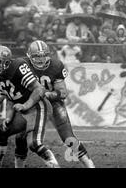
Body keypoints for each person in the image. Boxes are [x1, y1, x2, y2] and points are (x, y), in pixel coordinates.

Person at [12, 40, 95, 168]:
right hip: (30, 105)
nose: (40, 59)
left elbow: (62, 93)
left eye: (43, 55)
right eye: (36, 56)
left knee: (68, 138)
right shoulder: (21, 65)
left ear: (48, 55)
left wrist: (46, 94)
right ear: (29, 56)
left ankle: (89, 165)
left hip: (53, 104)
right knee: (21, 138)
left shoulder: (56, 65)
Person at [0, 45, 59, 168]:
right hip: (22, 110)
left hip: (37, 106)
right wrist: (9, 117)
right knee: (3, 133)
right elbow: (10, 98)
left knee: (34, 144)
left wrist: (26, 105)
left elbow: (39, 89)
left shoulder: (17, 66)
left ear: (6, 62)